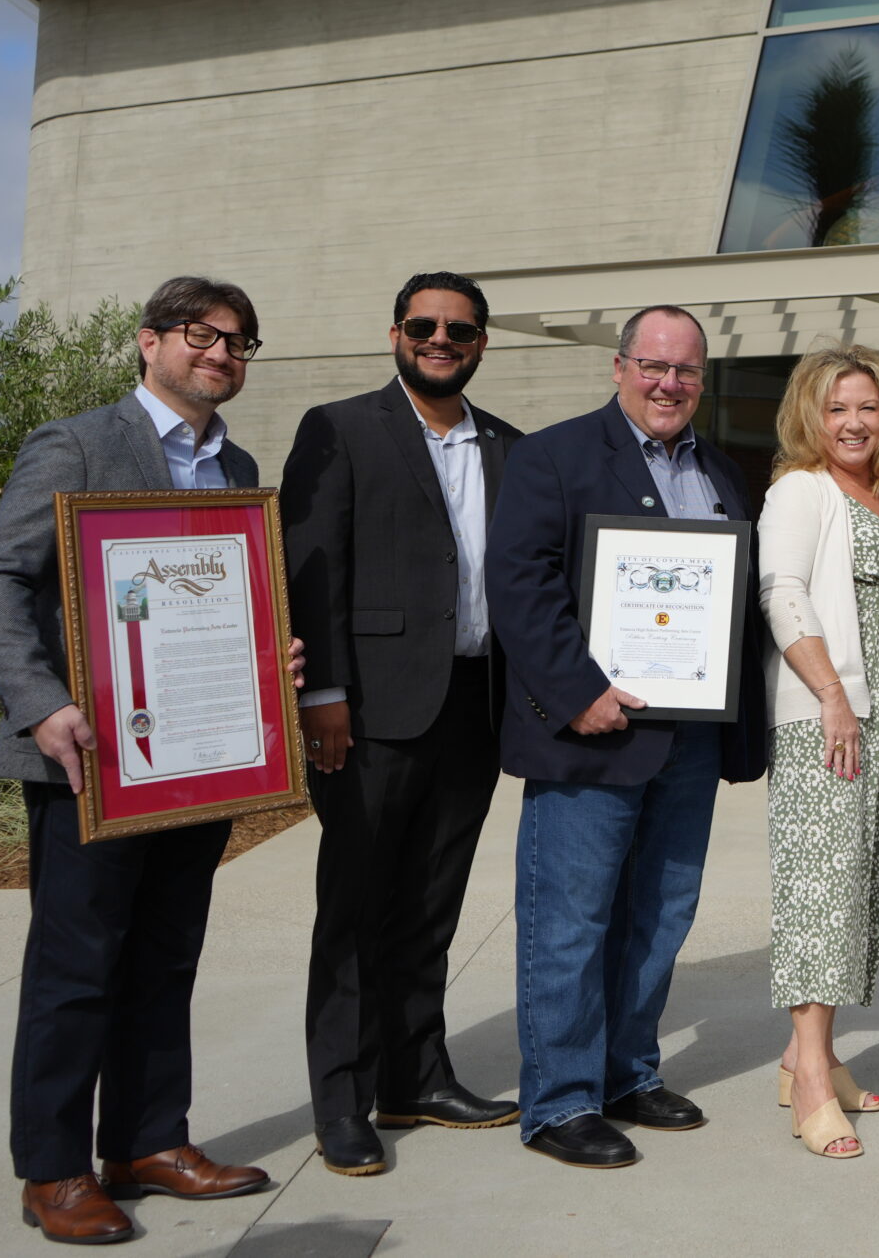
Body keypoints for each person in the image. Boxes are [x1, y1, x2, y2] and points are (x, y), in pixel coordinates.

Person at [0, 278, 299, 1244]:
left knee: (165, 955)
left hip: (197, 756)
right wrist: (43, 705)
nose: (221, 354)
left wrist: (269, 654)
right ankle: (55, 1168)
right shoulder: (75, 442)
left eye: (240, 341)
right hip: (92, 758)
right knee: (77, 966)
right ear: (150, 341)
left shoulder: (234, 464)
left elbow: (220, 602)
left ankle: (149, 1139)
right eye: (202, 335)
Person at [486, 305, 769, 1170]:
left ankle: (624, 1073)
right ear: (618, 367)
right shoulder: (555, 456)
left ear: (702, 380)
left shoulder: (722, 471)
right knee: (571, 920)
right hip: (592, 736)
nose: (668, 384)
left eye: (685, 371)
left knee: (659, 916)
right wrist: (578, 694)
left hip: (686, 738)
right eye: (653, 365)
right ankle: (560, 1101)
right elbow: (520, 583)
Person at [282, 271, 523, 1178]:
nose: (440, 338)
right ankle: (341, 1099)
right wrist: (323, 696)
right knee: (353, 909)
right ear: (396, 332)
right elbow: (313, 569)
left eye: (459, 328)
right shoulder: (340, 428)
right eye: (424, 324)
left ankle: (415, 1074)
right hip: (370, 712)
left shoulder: (508, 444)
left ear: (480, 343)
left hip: (474, 706)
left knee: (430, 905)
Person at [757, 344, 879, 1160]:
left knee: (862, 888)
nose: (855, 422)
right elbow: (781, 592)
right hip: (830, 713)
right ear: (810, 417)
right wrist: (832, 697)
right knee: (821, 893)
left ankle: (806, 1056)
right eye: (838, 408)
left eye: (868, 406)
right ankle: (812, 1087)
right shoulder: (801, 489)